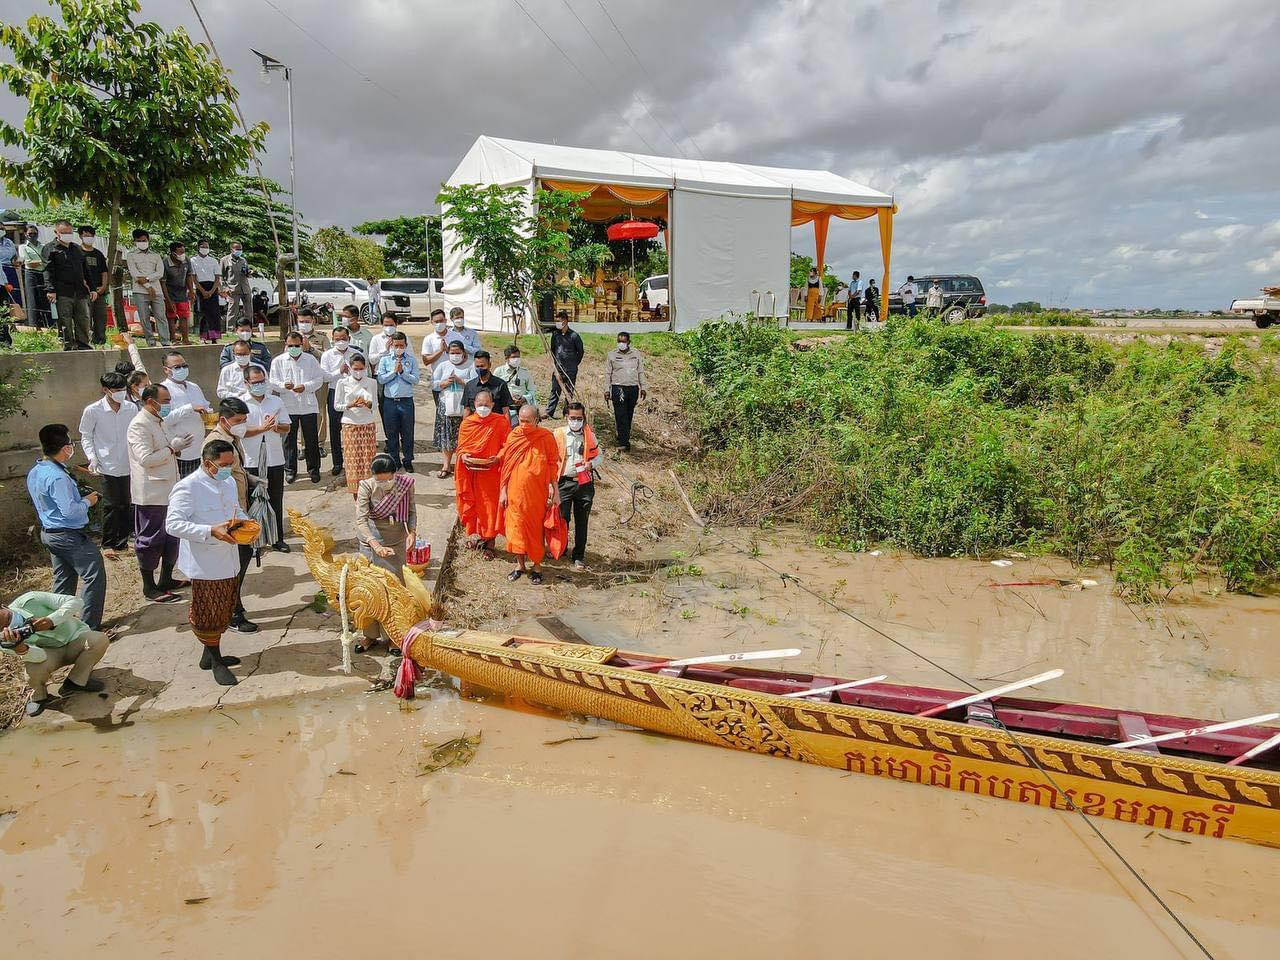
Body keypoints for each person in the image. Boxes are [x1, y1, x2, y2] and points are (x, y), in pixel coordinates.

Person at [166, 439, 250, 686]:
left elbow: (235, 511)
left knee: (224, 609)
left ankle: (208, 655)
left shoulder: (228, 482)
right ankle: (216, 662)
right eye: (223, 465)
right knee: (208, 613)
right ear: (207, 463)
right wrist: (209, 530)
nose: (228, 469)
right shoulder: (187, 487)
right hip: (204, 562)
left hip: (229, 558)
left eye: (231, 464)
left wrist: (246, 524)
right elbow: (173, 525)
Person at [25, 424, 106, 630]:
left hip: (50, 533)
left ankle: (58, 628)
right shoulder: (58, 476)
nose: (72, 447)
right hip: (67, 535)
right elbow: (69, 511)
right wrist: (87, 501)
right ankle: (89, 629)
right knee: (94, 575)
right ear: (65, 449)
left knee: (63, 582)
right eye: (71, 444)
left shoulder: (37, 470)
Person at [128, 384, 191, 603]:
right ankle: (149, 587)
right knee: (151, 539)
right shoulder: (139, 425)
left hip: (170, 488)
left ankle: (166, 579)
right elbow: (145, 459)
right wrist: (172, 449)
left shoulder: (159, 421)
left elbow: (165, 450)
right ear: (150, 401)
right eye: (165, 401)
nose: (168, 405)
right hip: (152, 492)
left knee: (172, 535)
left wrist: (175, 447)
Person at [1, 593, 110, 716]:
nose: (10, 625)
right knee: (32, 672)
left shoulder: (30, 599)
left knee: (99, 640)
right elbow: (39, 657)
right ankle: (39, 696)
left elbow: (76, 601)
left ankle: (76, 681)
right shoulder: (3, 642)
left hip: (75, 638)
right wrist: (21, 649)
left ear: (3, 606)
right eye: (3, 626)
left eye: (8, 618)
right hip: (49, 654)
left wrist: (52, 620)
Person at [204, 398, 259, 633]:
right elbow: (213, 480)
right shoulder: (216, 443)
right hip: (226, 515)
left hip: (238, 508)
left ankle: (234, 606)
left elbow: (236, 470)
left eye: (244, 420)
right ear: (224, 420)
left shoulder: (231, 438)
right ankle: (232, 612)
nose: (242, 424)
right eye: (238, 421)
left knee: (241, 560)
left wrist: (251, 480)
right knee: (234, 564)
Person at [353, 454, 416, 653]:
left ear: (394, 474)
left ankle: (393, 635)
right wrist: (375, 545)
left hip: (396, 541)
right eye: (380, 481)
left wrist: (412, 533)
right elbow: (361, 520)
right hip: (372, 541)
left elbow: (412, 511)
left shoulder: (405, 485)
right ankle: (369, 635)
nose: (384, 484)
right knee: (370, 591)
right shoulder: (366, 487)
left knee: (394, 591)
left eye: (388, 480)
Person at [498, 404, 559, 585]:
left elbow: (552, 464)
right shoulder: (514, 436)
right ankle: (520, 565)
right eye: (521, 421)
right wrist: (503, 491)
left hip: (537, 494)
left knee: (535, 530)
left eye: (528, 422)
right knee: (516, 528)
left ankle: (537, 566)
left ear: (536, 420)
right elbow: (506, 466)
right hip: (515, 493)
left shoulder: (546, 437)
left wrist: (555, 490)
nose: (524, 425)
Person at [78, 372, 136, 556]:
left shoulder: (131, 408)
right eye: (117, 390)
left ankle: (123, 542)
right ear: (105, 390)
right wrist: (92, 458)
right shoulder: (93, 410)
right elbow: (86, 436)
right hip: (106, 464)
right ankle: (108, 543)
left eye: (123, 389)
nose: (121, 393)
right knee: (111, 505)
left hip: (128, 463)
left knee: (126, 503)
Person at [454, 388, 510, 558]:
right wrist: (463, 456)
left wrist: (498, 458)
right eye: (480, 404)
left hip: (492, 473)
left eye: (486, 404)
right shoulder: (467, 423)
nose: (483, 407)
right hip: (471, 473)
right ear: (474, 404)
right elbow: (461, 448)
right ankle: (478, 537)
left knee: (489, 507)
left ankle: (490, 542)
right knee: (474, 505)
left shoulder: (501, 422)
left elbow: (507, 446)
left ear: (492, 405)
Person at [241, 365, 291, 551]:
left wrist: (275, 427)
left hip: (274, 458)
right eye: (255, 382)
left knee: (275, 499)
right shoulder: (240, 403)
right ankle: (255, 541)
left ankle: (277, 538)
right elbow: (239, 431)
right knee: (253, 500)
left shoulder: (275, 402)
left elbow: (287, 427)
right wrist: (261, 429)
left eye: (262, 381)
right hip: (251, 459)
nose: (259, 385)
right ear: (246, 383)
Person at [553, 402, 603, 572]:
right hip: (564, 482)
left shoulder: (589, 435)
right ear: (566, 417)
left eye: (579, 418)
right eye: (572, 418)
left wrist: (591, 464)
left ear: (583, 418)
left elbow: (600, 455)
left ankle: (579, 556)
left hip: (584, 484)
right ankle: (561, 549)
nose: (576, 421)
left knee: (582, 521)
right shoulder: (558, 434)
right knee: (562, 518)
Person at [270, 331, 324, 484]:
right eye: (291, 345)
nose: (294, 348)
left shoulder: (310, 360)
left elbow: (319, 379)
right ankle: (290, 470)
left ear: (302, 344)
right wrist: (283, 386)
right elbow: (273, 381)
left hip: (308, 405)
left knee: (311, 439)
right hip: (288, 406)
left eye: (297, 345)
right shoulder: (278, 361)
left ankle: (314, 469)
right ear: (286, 345)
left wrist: (305, 386)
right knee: (289, 440)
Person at [42, 220, 93, 350]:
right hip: (62, 291)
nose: (67, 235)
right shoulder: (50, 248)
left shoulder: (76, 248)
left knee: (83, 319)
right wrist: (50, 290)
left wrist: (92, 288)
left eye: (70, 232)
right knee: (65, 320)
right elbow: (47, 270)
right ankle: (68, 345)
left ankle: (83, 345)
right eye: (64, 232)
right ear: (56, 232)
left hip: (80, 291)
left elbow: (86, 270)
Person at [160, 351, 212, 478]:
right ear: (166, 370)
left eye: (184, 366)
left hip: (200, 449)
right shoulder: (163, 390)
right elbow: (163, 420)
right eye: (177, 367)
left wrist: (208, 414)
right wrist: (189, 408)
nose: (182, 369)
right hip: (181, 451)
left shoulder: (194, 387)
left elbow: (205, 406)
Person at [334, 352, 378, 496]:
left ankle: (369, 491)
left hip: (367, 424)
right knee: (353, 460)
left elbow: (375, 405)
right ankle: (356, 493)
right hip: (350, 424)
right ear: (350, 368)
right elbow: (337, 406)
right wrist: (350, 405)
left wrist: (367, 404)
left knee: (368, 459)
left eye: (361, 369)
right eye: (355, 369)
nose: (358, 372)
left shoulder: (371, 382)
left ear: (365, 368)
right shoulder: (342, 383)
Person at [376, 330, 420, 473]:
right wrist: (394, 372)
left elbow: (416, 380)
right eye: (396, 346)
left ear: (405, 345)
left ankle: (408, 460)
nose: (399, 348)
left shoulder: (411, 360)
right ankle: (394, 460)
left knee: (407, 433)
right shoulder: (385, 360)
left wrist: (402, 372)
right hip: (390, 402)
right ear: (391, 345)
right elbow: (381, 379)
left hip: (406, 402)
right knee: (392, 433)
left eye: (401, 345)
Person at [432, 341, 474, 477]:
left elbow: (476, 384)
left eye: (457, 353)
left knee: (463, 435)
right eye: (452, 353)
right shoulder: (443, 366)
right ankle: (446, 465)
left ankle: (461, 465)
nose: (455, 355)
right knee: (447, 435)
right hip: (446, 404)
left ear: (463, 353)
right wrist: (445, 383)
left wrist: (461, 381)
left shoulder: (470, 365)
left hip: (464, 405)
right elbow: (433, 384)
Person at [320, 325, 355, 476]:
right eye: (337, 339)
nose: (341, 341)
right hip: (335, 392)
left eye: (343, 339)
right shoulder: (327, 355)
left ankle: (353, 460)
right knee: (335, 429)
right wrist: (339, 372)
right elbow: (325, 377)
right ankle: (337, 462)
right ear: (333, 340)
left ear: (349, 339)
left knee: (352, 428)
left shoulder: (356, 353)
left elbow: (363, 372)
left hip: (352, 392)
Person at [125, 228, 169, 346]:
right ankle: (151, 342)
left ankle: (165, 341)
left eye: (144, 240)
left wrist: (148, 279)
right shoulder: (131, 255)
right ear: (135, 241)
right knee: (144, 318)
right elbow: (135, 274)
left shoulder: (156, 255)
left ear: (148, 240)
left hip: (157, 291)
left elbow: (160, 272)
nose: (142, 242)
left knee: (161, 316)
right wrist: (148, 286)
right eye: (139, 240)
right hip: (140, 291)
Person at [604, 331, 646, 452]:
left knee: (628, 414)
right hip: (618, 388)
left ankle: (622, 434)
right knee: (620, 414)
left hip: (632, 388)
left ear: (628, 342)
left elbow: (640, 371)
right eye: (619, 341)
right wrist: (607, 390)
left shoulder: (636, 354)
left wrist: (643, 387)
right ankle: (624, 443)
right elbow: (608, 374)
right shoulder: (612, 355)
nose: (621, 343)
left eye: (623, 341)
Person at [298, 309, 331, 464]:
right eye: (301, 321)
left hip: (318, 379)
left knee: (320, 411)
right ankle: (302, 445)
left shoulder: (322, 337)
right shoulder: (294, 336)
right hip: (300, 380)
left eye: (307, 321)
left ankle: (320, 444)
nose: (304, 324)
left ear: (313, 321)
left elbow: (327, 357)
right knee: (299, 411)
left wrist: (311, 349)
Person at [546, 310, 584, 418]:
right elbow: (553, 350)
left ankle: (567, 413)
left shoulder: (574, 336)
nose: (558, 323)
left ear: (566, 321)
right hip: (558, 368)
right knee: (555, 390)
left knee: (569, 391)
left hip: (570, 369)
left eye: (560, 320)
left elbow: (580, 351)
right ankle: (549, 412)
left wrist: (574, 363)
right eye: (557, 321)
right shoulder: (555, 335)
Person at [79, 226, 109, 344]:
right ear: (80, 236)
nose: (89, 238)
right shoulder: (77, 252)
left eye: (91, 236)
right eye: (86, 235)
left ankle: (100, 340)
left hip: (99, 291)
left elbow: (104, 272)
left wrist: (104, 286)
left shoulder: (98, 254)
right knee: (86, 316)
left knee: (101, 317)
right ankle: (88, 341)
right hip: (84, 292)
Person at [162, 241, 195, 345]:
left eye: (183, 252)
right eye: (180, 252)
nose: (182, 254)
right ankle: (173, 339)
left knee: (184, 315)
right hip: (169, 293)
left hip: (182, 293)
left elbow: (189, 276)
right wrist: (167, 300)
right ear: (173, 253)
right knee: (171, 316)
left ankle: (185, 339)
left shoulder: (186, 260)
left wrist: (191, 290)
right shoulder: (165, 263)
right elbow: (162, 283)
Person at [494, 344, 536, 426]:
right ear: (506, 358)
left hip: (521, 409)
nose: (516, 359)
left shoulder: (525, 372)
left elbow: (532, 390)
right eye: (513, 357)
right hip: (505, 409)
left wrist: (524, 398)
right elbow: (494, 390)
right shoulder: (498, 372)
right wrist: (508, 398)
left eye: (518, 357)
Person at [462, 349, 513, 417]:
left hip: (495, 422)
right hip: (476, 423)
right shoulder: (469, 386)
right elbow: (467, 409)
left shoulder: (500, 385)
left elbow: (505, 410)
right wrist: (464, 423)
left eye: (482, 366)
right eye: (477, 366)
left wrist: (507, 424)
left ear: (489, 365)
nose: (480, 369)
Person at [191, 239, 223, 343]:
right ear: (198, 248)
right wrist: (203, 291)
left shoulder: (213, 260)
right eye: (203, 246)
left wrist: (212, 291)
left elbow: (217, 277)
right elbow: (194, 278)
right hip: (201, 287)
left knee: (214, 313)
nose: (205, 248)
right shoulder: (193, 260)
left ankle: (214, 337)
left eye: (207, 247)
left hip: (212, 287)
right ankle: (203, 336)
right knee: (202, 313)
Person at [18, 226, 50, 329]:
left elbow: (48, 260)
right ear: (25, 234)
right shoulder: (23, 247)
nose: (33, 235)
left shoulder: (43, 246)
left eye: (35, 233)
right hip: (30, 274)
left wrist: (39, 262)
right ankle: (33, 325)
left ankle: (48, 324)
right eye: (30, 233)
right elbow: (28, 263)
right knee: (32, 298)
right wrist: (42, 262)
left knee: (45, 298)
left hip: (43, 274)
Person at [420, 308, 450, 408]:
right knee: (440, 410)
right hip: (438, 380)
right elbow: (426, 361)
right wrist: (440, 351)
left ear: (446, 320)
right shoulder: (429, 339)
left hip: (455, 379)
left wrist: (448, 350)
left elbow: (463, 356)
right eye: (436, 322)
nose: (439, 324)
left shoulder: (455, 336)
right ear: (432, 322)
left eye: (441, 321)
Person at [220, 240, 253, 326]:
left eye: (240, 249)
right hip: (233, 289)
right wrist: (225, 288)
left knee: (249, 311)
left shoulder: (243, 260)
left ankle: (248, 328)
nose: (239, 251)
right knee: (232, 311)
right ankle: (230, 329)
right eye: (237, 249)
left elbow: (246, 273)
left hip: (245, 288)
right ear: (231, 249)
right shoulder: (224, 260)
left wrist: (249, 272)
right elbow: (220, 276)